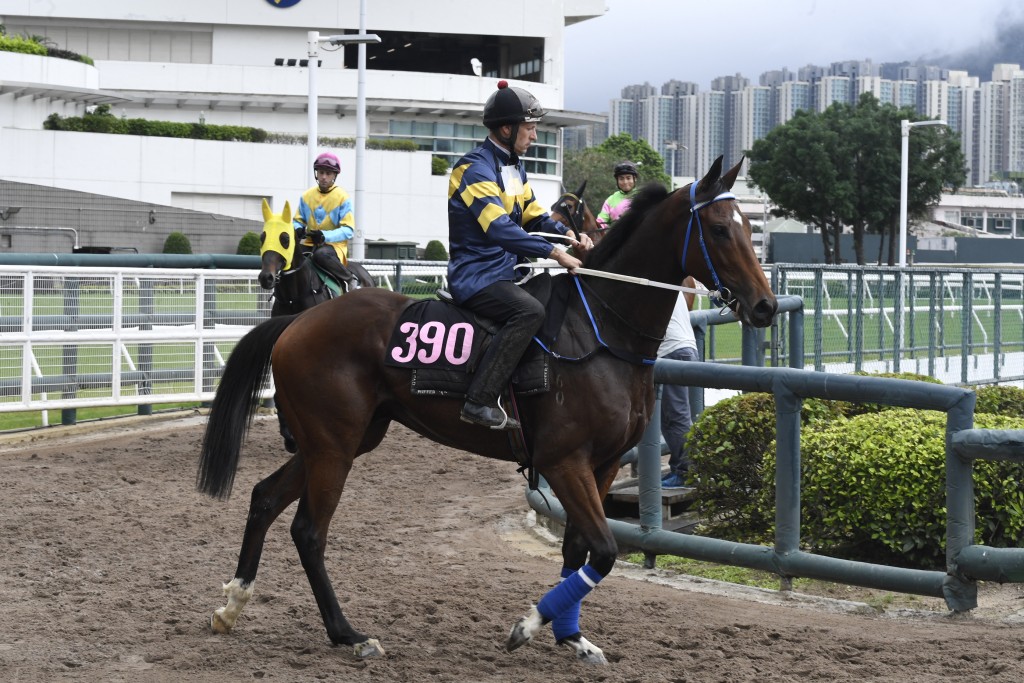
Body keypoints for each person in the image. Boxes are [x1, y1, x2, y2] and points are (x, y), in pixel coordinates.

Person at [448, 80, 593, 430]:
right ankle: (478, 401)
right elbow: (499, 230)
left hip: (507, 273)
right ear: (506, 128)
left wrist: (569, 235)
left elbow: (534, 216)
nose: (535, 136)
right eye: (530, 129)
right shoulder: (473, 169)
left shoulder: (514, 167)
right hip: (476, 277)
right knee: (530, 311)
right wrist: (555, 253)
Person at [293, 151, 357, 290]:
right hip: (309, 242)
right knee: (292, 254)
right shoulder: (306, 196)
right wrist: (297, 228)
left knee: (320, 255)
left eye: (328, 174)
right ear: (316, 173)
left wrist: (324, 235)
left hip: (334, 245)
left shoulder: (342, 197)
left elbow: (348, 230)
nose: (323, 177)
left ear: (334, 175)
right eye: (321, 172)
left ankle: (349, 279)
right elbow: (297, 220)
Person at [658, 291, 699, 488]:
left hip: (670, 352)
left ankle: (685, 472)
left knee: (675, 415)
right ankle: (681, 468)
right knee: (673, 415)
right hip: (684, 348)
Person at [595, 160, 639, 229]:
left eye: (628, 178)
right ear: (617, 180)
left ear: (635, 178)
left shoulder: (643, 197)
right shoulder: (610, 200)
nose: (625, 182)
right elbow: (601, 222)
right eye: (621, 179)